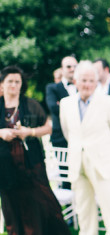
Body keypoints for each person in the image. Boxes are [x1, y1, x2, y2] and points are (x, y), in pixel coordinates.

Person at [0, 66, 70, 235]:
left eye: (17, 81)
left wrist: (29, 132)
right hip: (5, 166)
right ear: (2, 84)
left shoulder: (31, 104)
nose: (13, 85)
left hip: (32, 164)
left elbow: (48, 128)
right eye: (10, 81)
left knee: (43, 202)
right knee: (12, 206)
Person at [60, 61, 110, 235]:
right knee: (83, 210)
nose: (87, 84)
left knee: (109, 210)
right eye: (83, 80)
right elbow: (68, 132)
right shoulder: (66, 104)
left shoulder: (109, 102)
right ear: (76, 81)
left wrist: (105, 150)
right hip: (77, 164)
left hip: (102, 164)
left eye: (91, 80)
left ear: (96, 82)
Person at [45, 56, 78, 147]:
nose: (72, 69)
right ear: (62, 69)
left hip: (81, 138)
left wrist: (63, 105)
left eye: (75, 66)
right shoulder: (52, 88)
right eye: (68, 67)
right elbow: (54, 108)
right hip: (61, 138)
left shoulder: (84, 87)